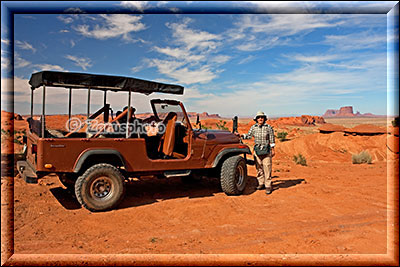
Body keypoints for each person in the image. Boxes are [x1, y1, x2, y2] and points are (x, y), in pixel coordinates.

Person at [235, 111, 275, 194]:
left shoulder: (268, 127)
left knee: (267, 168)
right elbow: (249, 136)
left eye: (262, 117)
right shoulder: (254, 127)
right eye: (259, 117)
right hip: (257, 150)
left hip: (266, 150)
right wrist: (241, 135)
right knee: (259, 167)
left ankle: (268, 186)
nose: (260, 119)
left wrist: (273, 149)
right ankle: (261, 183)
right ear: (256, 119)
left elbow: (272, 138)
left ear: (264, 119)